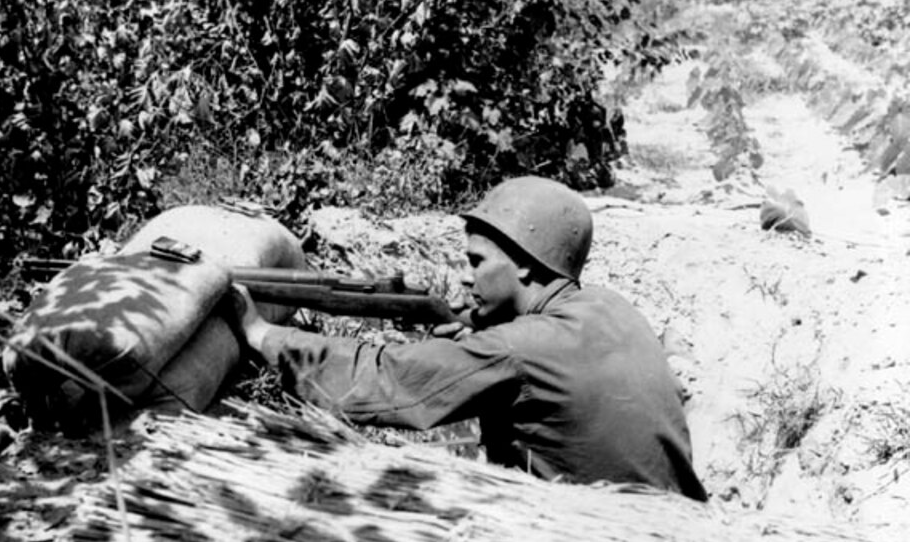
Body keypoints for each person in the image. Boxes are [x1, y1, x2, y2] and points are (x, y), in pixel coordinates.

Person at [232, 176, 708, 502]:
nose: (464, 278)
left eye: (476, 262)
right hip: (678, 526)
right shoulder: (611, 306)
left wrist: (262, 333)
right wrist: (477, 335)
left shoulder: (516, 349)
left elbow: (382, 380)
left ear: (523, 263)